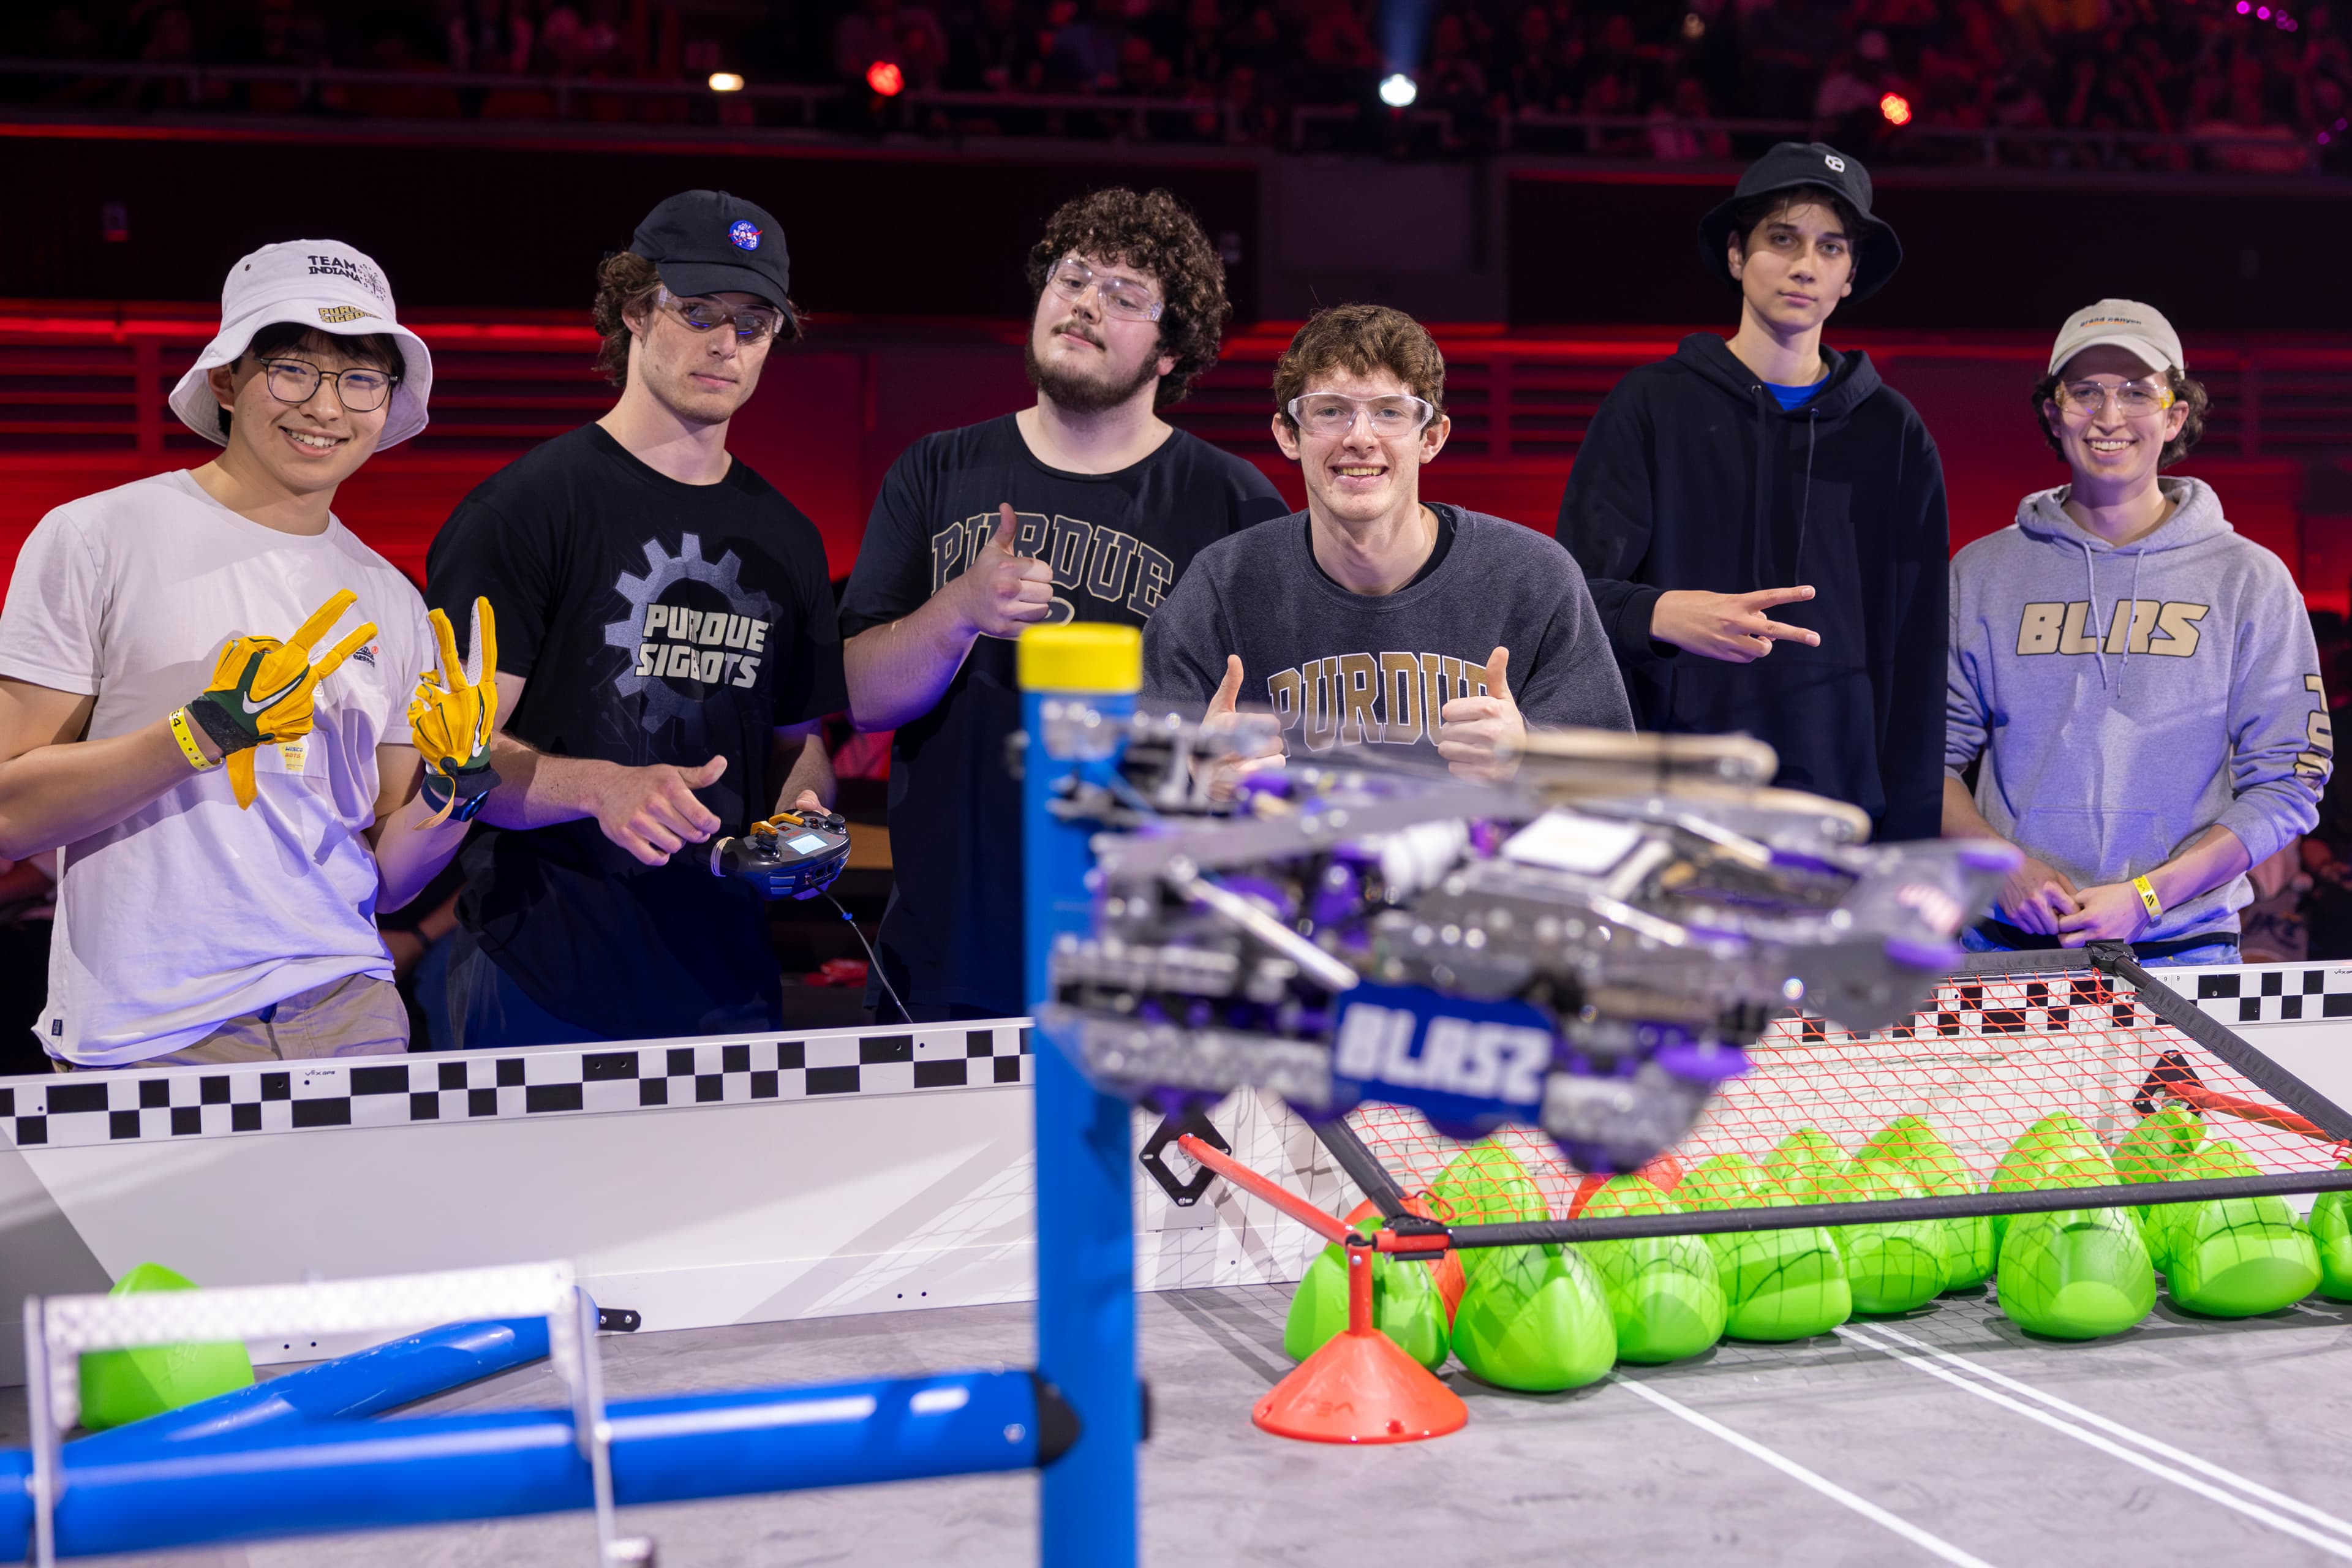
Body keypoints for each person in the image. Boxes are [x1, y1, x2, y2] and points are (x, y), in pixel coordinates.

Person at [0, 239, 480, 1066]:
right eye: (294, 369)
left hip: (349, 1007)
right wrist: (196, 736)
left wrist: (452, 794)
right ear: (226, 380)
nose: (327, 407)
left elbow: (392, 874)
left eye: (360, 378)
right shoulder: (98, 536)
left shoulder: (392, 597)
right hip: (155, 1023)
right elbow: (9, 814)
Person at [840, 187, 1287, 1021]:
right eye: (1074, 276)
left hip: (1151, 967)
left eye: (1125, 296)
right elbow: (863, 701)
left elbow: (1271, 742)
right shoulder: (935, 472)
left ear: (1168, 350)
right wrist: (959, 612)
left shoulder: (1237, 507)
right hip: (948, 958)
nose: (1085, 302)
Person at [426, 190, 846, 1047]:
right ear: (633, 310)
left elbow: (801, 743)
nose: (725, 344)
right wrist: (600, 788)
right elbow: (452, 760)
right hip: (541, 975)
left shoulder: (790, 538)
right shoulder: (524, 511)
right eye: (697, 312)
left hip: (727, 984)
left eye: (753, 323)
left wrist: (806, 818)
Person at [1556, 141, 1948, 840]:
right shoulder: (1650, 405)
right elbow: (1571, 601)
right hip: (1671, 805)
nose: (1805, 266)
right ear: (1737, 255)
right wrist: (1661, 613)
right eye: (1782, 239)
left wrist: (1911, 847)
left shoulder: (1894, 431)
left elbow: (1917, 657)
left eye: (1831, 247)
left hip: (1839, 815)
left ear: (1850, 275)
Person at [1944, 300, 2331, 964]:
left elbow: (2291, 781)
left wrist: (2149, 896)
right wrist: (2004, 867)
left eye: (2135, 392)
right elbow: (1923, 760)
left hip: (2184, 945)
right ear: (2052, 411)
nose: (2109, 415)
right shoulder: (1983, 571)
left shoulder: (2249, 579)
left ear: (2175, 414)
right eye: (2085, 392)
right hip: (2004, 944)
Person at [1143, 304, 1633, 775]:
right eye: (1331, 411)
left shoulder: (1534, 578)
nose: (1360, 436)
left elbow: (1617, 787)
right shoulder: (1221, 586)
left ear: (1432, 438)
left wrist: (1529, 755)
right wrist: (1199, 780)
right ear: (1288, 435)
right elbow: (1136, 777)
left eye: (1390, 412)